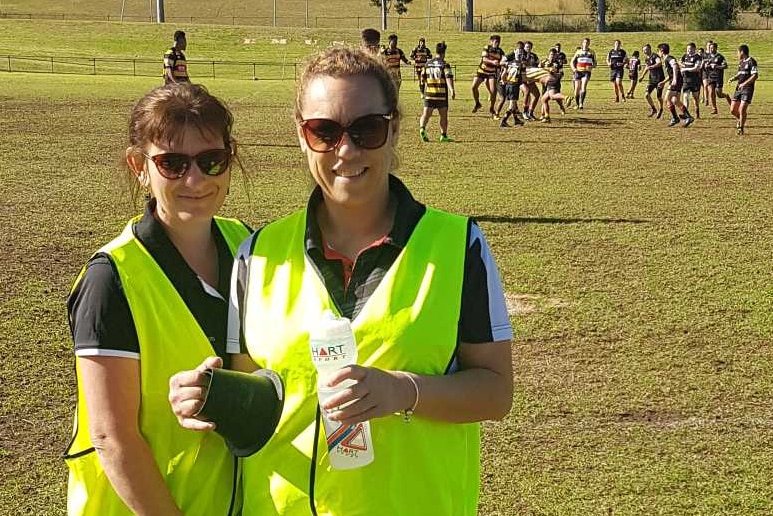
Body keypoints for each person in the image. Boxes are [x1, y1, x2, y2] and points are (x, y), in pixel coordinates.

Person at [169, 46, 514, 515]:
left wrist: (402, 391)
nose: (346, 151)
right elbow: (255, 392)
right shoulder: (258, 253)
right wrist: (212, 397)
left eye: (367, 129)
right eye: (324, 131)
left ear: (393, 129)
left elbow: (495, 392)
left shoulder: (459, 245)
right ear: (301, 134)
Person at [64, 83, 252, 515]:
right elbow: (113, 438)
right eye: (172, 163)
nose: (195, 179)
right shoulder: (111, 278)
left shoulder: (246, 243)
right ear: (139, 166)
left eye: (211, 161)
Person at [419, 41, 456, 142]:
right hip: (441, 94)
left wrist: (425, 87)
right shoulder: (444, 64)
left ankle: (422, 128)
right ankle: (443, 135)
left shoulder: (427, 64)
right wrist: (452, 89)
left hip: (429, 93)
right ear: (444, 53)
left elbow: (422, 79)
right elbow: (448, 77)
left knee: (426, 114)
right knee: (443, 115)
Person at [658, 43, 693, 128]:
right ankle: (688, 117)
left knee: (667, 99)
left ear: (662, 51)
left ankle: (675, 118)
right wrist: (664, 82)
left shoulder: (669, 58)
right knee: (675, 100)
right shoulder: (666, 59)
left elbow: (675, 66)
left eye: (658, 51)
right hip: (678, 80)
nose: (658, 53)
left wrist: (674, 79)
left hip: (676, 81)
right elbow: (670, 74)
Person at [471, 34, 505, 116]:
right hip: (482, 71)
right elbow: (484, 59)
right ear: (491, 42)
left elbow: (503, 61)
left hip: (491, 73)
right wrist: (493, 62)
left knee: (493, 91)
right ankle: (477, 103)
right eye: (496, 41)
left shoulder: (500, 51)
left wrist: (502, 64)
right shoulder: (487, 48)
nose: (497, 43)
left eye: (499, 42)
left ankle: (492, 108)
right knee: (473, 87)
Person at [728, 44, 758, 135]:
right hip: (739, 88)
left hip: (747, 88)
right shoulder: (741, 62)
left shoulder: (752, 61)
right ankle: (740, 119)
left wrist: (744, 84)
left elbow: (755, 75)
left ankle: (741, 127)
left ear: (742, 52)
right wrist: (734, 78)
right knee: (733, 110)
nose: (737, 54)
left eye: (737, 52)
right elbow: (740, 74)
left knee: (742, 109)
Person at [498, 42, 526, 128]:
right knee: (511, 105)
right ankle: (504, 120)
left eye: (521, 54)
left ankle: (517, 120)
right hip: (513, 85)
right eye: (518, 53)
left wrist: (504, 81)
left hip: (509, 85)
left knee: (513, 105)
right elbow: (524, 76)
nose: (520, 55)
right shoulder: (519, 64)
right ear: (515, 52)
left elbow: (503, 74)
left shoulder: (511, 63)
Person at [537, 48, 567, 123]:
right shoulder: (544, 61)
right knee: (544, 98)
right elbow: (539, 68)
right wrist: (540, 67)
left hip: (554, 83)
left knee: (554, 98)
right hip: (545, 83)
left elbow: (561, 74)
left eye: (554, 55)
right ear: (548, 55)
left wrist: (553, 73)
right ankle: (544, 115)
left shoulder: (557, 64)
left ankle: (561, 105)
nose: (552, 56)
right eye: (551, 55)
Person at [704, 41, 730, 115]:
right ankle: (714, 109)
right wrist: (706, 66)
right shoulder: (708, 57)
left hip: (718, 77)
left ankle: (726, 96)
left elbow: (725, 66)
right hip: (710, 77)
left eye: (712, 48)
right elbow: (706, 66)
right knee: (711, 92)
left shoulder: (720, 57)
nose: (711, 49)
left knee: (719, 94)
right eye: (710, 48)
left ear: (716, 48)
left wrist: (717, 66)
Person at [570, 37, 596, 110]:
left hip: (586, 72)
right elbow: (572, 62)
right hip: (578, 72)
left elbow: (595, 63)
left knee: (583, 87)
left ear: (589, 44)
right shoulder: (578, 52)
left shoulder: (592, 52)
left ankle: (581, 103)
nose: (586, 44)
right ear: (582, 43)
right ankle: (577, 104)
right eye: (584, 42)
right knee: (576, 89)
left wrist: (592, 67)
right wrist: (574, 69)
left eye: (587, 43)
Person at [680, 42, 703, 119]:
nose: (688, 50)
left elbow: (696, 68)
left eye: (690, 49)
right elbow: (680, 62)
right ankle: (685, 113)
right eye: (687, 49)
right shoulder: (685, 56)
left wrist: (685, 68)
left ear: (694, 49)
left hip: (695, 81)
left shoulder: (698, 57)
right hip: (686, 80)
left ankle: (697, 111)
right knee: (685, 96)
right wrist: (683, 66)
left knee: (695, 98)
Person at [641, 43, 664, 118]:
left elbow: (659, 63)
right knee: (646, 95)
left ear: (650, 49)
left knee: (659, 97)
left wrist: (652, 66)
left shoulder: (655, 56)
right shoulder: (647, 59)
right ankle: (654, 109)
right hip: (652, 79)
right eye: (644, 50)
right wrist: (642, 76)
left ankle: (661, 109)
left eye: (646, 49)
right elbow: (647, 67)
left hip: (659, 79)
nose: (645, 51)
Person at [520, 41, 540, 120]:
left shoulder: (534, 56)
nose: (528, 48)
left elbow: (537, 64)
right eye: (527, 47)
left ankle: (530, 112)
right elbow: (521, 65)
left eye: (529, 47)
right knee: (527, 92)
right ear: (524, 47)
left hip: (531, 78)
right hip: (521, 78)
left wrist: (540, 65)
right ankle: (524, 112)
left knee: (537, 94)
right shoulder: (521, 55)